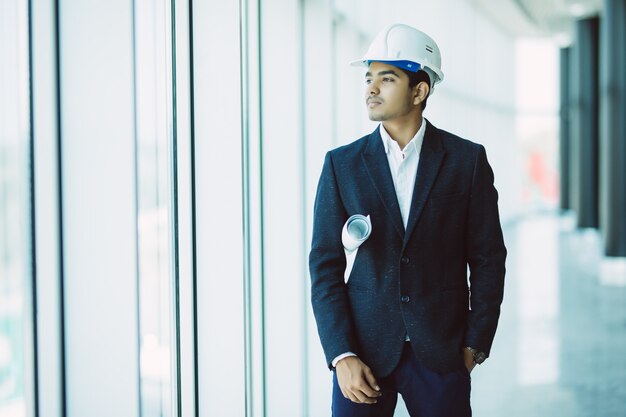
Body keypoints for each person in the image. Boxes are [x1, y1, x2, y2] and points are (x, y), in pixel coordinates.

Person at [309, 23, 506, 417]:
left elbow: (488, 260)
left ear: (420, 91)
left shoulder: (466, 162)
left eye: (387, 78)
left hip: (441, 355)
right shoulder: (341, 165)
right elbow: (324, 266)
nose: (371, 89)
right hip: (362, 356)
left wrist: (474, 347)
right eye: (369, 78)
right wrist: (340, 354)